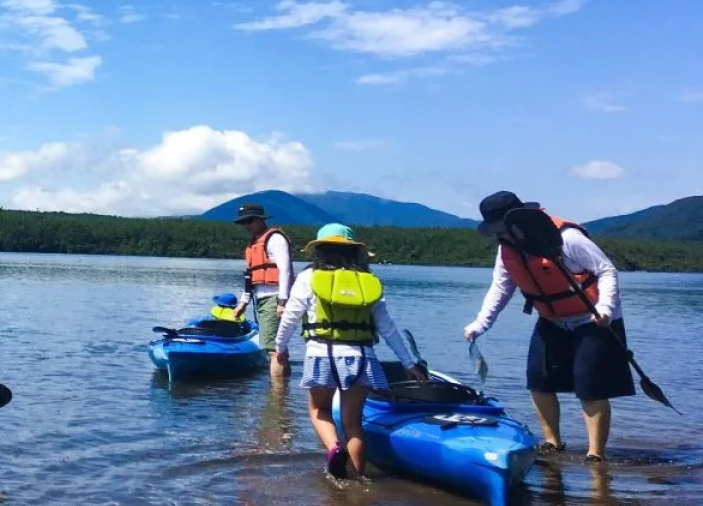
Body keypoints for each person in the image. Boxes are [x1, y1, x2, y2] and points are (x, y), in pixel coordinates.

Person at [464, 191, 630, 462]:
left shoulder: (567, 239)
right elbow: (501, 287)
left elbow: (607, 270)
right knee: (539, 380)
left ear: (520, 220)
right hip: (551, 319)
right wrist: (480, 323)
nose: (499, 234)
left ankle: (595, 455)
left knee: (590, 386)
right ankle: (552, 442)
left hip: (594, 319)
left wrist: (605, 309)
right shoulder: (507, 248)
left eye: (502, 228)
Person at [276, 223, 427, 479]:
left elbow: (290, 317)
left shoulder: (308, 277)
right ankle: (359, 479)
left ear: (319, 251)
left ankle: (335, 449)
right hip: (361, 357)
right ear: (354, 253)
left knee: (319, 411)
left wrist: (279, 347)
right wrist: (409, 363)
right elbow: (388, 328)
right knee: (354, 424)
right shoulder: (368, 281)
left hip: (321, 355)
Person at [231, 203, 293, 378]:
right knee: (278, 348)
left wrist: (282, 301)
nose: (246, 225)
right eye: (243, 222)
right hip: (261, 298)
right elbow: (250, 277)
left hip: (274, 298)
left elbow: (285, 270)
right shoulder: (253, 243)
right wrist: (244, 302)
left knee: (273, 350)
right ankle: (282, 396)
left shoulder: (275, 239)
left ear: (260, 220)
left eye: (249, 221)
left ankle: (276, 398)